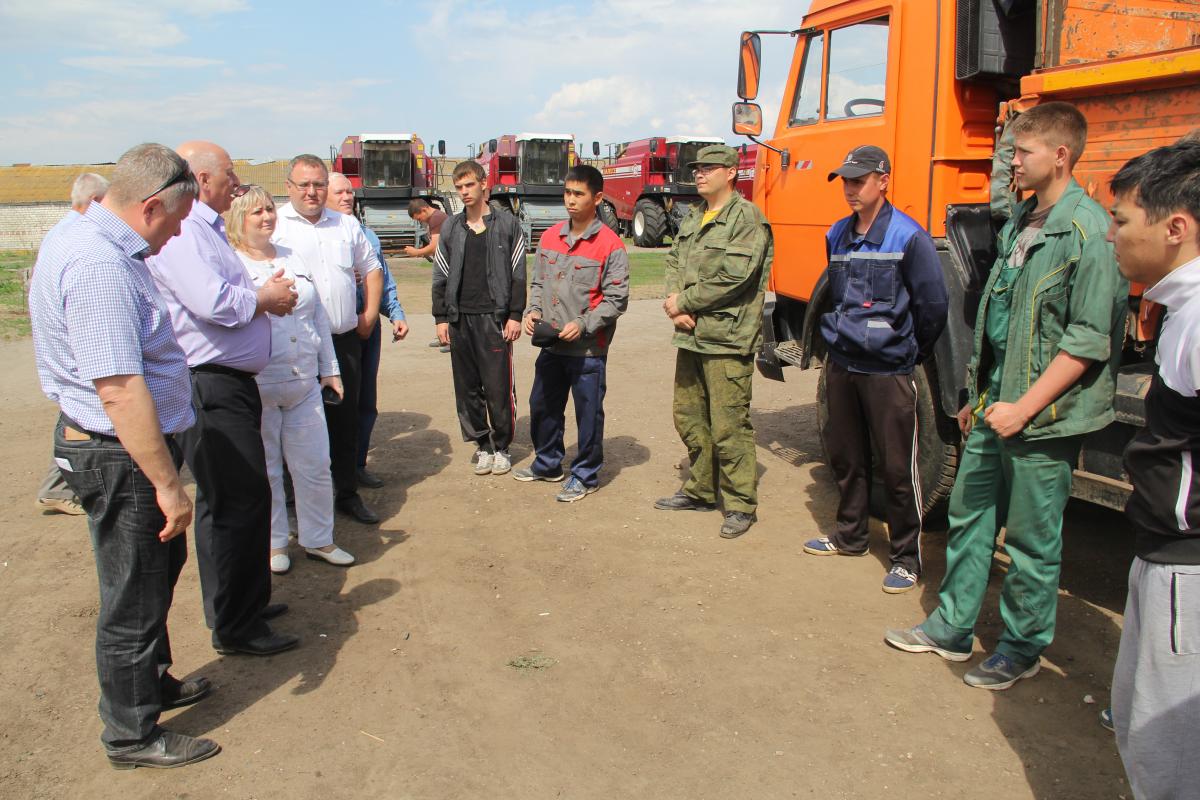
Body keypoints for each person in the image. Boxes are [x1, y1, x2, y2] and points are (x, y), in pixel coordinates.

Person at [884, 102, 1128, 689]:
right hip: (997, 406)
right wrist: (977, 393)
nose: (1012, 162)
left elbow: (1087, 342)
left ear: (1061, 155)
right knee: (968, 516)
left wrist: (1023, 407)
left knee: (1030, 541)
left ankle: (1021, 647)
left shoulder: (1088, 234)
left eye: (1023, 152)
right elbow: (1002, 319)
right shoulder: (1024, 220)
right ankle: (953, 628)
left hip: (1042, 418)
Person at [28, 143, 220, 769]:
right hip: (123, 457)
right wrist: (166, 482)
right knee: (133, 597)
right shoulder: (99, 266)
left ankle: (151, 686)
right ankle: (132, 735)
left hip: (122, 452)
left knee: (153, 575)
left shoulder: (91, 239)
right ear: (151, 204)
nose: (174, 237)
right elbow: (118, 386)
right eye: (173, 222)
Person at [148, 141, 300, 657]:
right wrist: (264, 299)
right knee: (239, 500)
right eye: (229, 173)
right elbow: (211, 301)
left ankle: (238, 605)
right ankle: (238, 624)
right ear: (201, 177)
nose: (237, 181)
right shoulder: (185, 233)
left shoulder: (203, 228)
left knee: (231, 501)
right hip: (209, 384)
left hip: (225, 383)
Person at [801, 146, 948, 594]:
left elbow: (933, 306)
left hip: (888, 371)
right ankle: (850, 537)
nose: (849, 188)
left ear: (883, 181)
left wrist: (905, 353)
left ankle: (906, 556)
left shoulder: (908, 237)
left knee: (898, 468)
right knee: (847, 458)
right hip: (844, 365)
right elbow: (837, 295)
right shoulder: (838, 235)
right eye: (845, 181)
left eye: (858, 180)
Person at [1106, 140, 1200, 799]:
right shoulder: (1181, 309)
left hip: (1186, 570)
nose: (1111, 233)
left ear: (1174, 228)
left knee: (1168, 760)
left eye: (1120, 220)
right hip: (1165, 559)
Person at [227, 185, 355, 573]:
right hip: (261, 381)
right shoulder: (231, 263)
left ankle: (319, 539)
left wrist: (330, 369)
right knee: (267, 469)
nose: (266, 217)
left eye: (269, 209)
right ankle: (274, 544)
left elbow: (317, 317)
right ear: (238, 219)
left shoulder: (291, 255)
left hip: (304, 380)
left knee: (314, 465)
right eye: (255, 213)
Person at [654, 144, 773, 539]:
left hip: (726, 338)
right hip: (690, 336)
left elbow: (735, 276)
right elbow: (674, 261)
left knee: (728, 425)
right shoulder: (692, 217)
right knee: (689, 417)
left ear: (731, 172)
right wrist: (675, 305)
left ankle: (740, 504)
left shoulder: (747, 219)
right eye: (697, 168)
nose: (700, 174)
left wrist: (683, 302)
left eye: (709, 168)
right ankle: (701, 490)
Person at [273, 155, 385, 524]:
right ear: (288, 186)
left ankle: (347, 492)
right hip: (295, 346)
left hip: (343, 341)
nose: (312, 192)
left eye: (318, 184)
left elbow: (372, 268)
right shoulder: (276, 225)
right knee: (295, 425)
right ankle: (293, 500)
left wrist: (368, 314)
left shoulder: (345, 224)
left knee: (345, 421)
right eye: (304, 184)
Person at [516, 164, 629, 501]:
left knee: (588, 413)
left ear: (596, 198)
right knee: (542, 406)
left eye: (578, 194)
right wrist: (532, 311)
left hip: (587, 350)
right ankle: (548, 464)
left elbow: (616, 299)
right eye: (567, 192)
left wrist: (582, 324)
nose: (570, 200)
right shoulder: (550, 237)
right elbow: (538, 283)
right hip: (550, 344)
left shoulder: (610, 245)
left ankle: (585, 474)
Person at [432, 160, 526, 475]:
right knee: (467, 388)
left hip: (494, 319)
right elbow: (440, 274)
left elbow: (518, 274)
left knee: (498, 387)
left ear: (484, 183)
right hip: (460, 320)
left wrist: (514, 314)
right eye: (459, 188)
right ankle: (482, 445)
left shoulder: (507, 224)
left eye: (469, 185)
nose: (464, 192)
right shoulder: (451, 227)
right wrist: (441, 317)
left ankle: (502, 446)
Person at [326, 172, 408, 489]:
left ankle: (356, 465)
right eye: (340, 192)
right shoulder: (317, 238)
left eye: (350, 192)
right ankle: (329, 472)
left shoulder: (368, 237)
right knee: (331, 403)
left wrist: (395, 313)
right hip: (333, 334)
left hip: (367, 330)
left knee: (364, 402)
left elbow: (383, 280)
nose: (348, 197)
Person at [35, 172, 110, 516]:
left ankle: (59, 484)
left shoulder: (59, 233)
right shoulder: (80, 238)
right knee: (82, 411)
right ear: (95, 202)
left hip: (62, 340)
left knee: (77, 407)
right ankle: (57, 486)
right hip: (73, 343)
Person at [407, 198, 452, 352]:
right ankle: (443, 335)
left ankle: (449, 338)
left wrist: (416, 252)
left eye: (419, 218)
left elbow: (435, 246)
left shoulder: (437, 218)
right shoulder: (437, 218)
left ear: (424, 210)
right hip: (445, 264)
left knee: (442, 298)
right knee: (440, 299)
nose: (421, 222)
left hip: (446, 265)